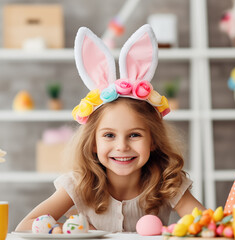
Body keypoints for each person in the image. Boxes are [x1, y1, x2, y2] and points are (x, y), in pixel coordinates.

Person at [16, 24, 205, 233]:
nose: (122, 146)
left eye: (134, 135)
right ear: (93, 143)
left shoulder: (167, 181)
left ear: (153, 141)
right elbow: (25, 226)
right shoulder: (79, 184)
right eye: (109, 135)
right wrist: (72, 229)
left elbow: (207, 224)